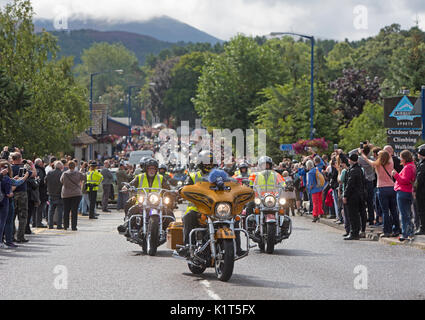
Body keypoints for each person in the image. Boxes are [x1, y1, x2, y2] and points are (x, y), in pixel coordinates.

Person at [361, 150, 401, 238]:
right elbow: (389, 155)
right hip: (392, 187)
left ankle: (387, 231)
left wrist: (363, 154)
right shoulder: (391, 163)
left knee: (385, 211)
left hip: (382, 188)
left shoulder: (377, 165)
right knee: (394, 210)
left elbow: (367, 160)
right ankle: (397, 229)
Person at [11, 153, 36, 243]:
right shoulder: (23, 168)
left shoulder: (9, 168)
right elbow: (34, 174)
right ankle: (20, 237)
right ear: (20, 159)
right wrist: (31, 164)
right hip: (22, 193)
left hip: (12, 193)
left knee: (12, 216)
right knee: (23, 216)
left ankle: (11, 235)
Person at [392, 150, 416, 241]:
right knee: (408, 213)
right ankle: (410, 231)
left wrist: (395, 175)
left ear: (404, 158)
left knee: (403, 214)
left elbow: (404, 181)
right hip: (408, 191)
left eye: (401, 157)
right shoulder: (412, 166)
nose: (400, 159)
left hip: (403, 192)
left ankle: (405, 234)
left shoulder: (407, 167)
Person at [343, 154, 365, 240]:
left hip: (353, 196)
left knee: (353, 215)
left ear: (351, 160)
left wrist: (345, 195)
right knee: (356, 215)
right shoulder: (359, 169)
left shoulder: (353, 170)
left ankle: (354, 233)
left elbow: (350, 184)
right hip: (359, 195)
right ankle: (355, 232)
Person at [61, 161, 85, 231]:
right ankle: (74, 226)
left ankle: (66, 225)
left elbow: (61, 181)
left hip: (66, 194)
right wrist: (82, 170)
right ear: (74, 166)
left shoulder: (65, 174)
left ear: (68, 166)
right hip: (76, 193)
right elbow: (84, 177)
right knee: (74, 210)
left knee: (66, 210)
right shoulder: (78, 173)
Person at [45, 161, 64, 229]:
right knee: (60, 210)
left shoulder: (50, 173)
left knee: (51, 210)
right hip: (59, 194)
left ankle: (50, 225)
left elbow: (45, 181)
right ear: (61, 167)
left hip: (51, 193)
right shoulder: (62, 173)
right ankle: (59, 225)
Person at [415, 148, 425, 235]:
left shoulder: (422, 165)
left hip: (421, 191)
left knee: (421, 210)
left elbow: (419, 180)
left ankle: (422, 228)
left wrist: (414, 190)